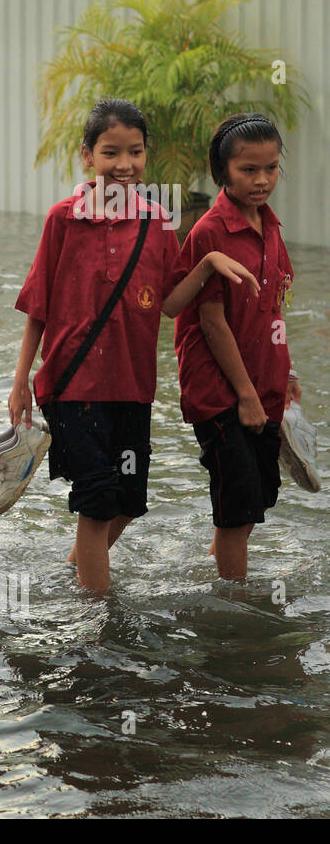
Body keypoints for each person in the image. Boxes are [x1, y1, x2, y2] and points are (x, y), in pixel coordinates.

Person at [9, 99, 260, 592]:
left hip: (132, 385)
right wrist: (20, 383)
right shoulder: (64, 219)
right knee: (98, 497)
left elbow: (169, 303)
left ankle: (74, 569)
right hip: (71, 384)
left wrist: (207, 261)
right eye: (110, 153)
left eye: (135, 153)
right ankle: (97, 618)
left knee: (127, 500)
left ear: (147, 155)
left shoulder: (156, 222)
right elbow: (38, 305)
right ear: (87, 156)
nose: (124, 165)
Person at [174, 114, 301, 581]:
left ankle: (214, 574)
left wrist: (287, 375)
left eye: (270, 168)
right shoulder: (209, 232)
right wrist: (246, 395)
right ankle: (235, 613)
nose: (262, 179)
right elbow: (212, 323)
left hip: (263, 384)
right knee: (236, 505)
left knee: (256, 498)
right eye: (249, 170)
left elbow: (274, 308)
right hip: (221, 391)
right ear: (222, 170)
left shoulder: (271, 226)